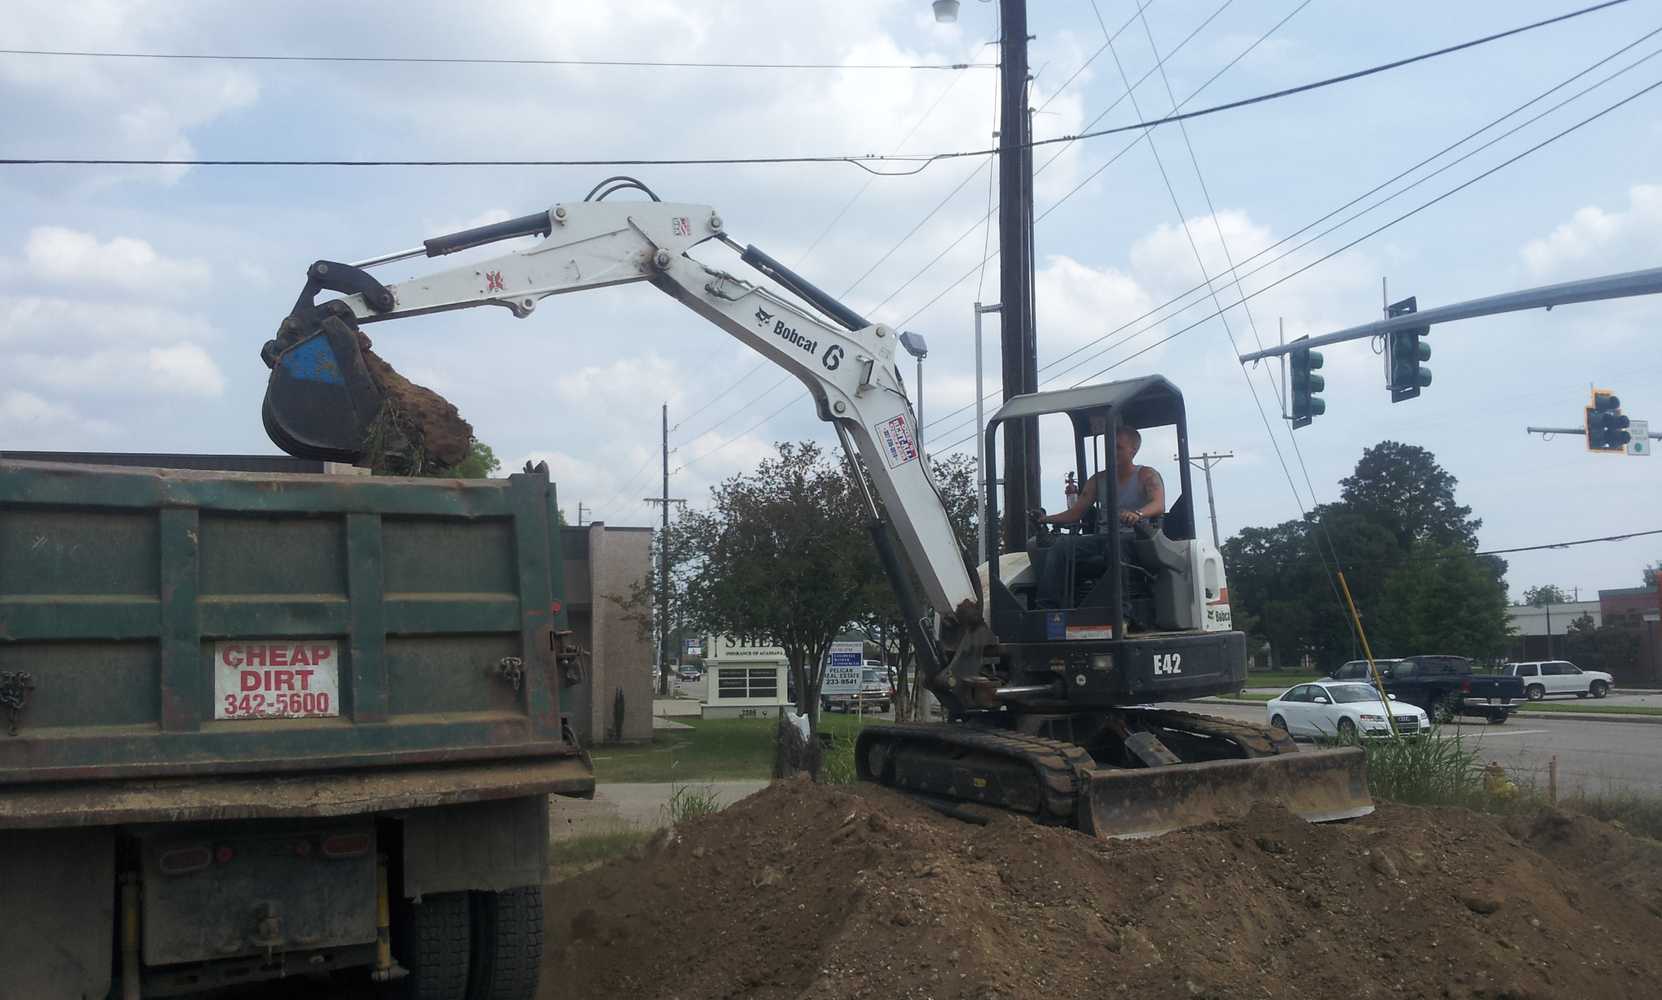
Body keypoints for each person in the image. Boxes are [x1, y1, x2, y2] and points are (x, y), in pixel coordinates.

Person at [1033, 426, 1166, 609]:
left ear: (1133, 450)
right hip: (1103, 538)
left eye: (1118, 447)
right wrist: (1045, 520)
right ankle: (1048, 609)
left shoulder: (1146, 475)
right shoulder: (1098, 479)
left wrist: (1137, 514)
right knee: (1061, 546)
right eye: (1109, 446)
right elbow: (1076, 512)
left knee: (1115, 547)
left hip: (1135, 539)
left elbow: (1158, 504)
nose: (1112, 451)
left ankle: (1123, 612)